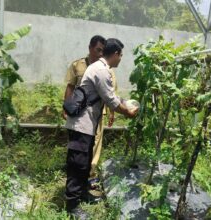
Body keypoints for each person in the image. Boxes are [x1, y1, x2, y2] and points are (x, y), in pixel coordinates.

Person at [65, 38, 137, 212]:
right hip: (82, 125)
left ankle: (82, 193)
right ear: (115, 54)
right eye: (121, 55)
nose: (121, 59)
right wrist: (128, 112)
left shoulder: (100, 68)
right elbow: (111, 100)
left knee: (86, 161)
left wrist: (126, 102)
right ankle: (72, 206)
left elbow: (110, 95)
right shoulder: (101, 70)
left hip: (88, 124)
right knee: (78, 164)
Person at [64, 35, 117, 191]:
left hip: (96, 114)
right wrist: (65, 108)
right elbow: (70, 87)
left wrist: (112, 112)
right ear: (90, 48)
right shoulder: (78, 65)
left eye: (103, 50)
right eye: (98, 50)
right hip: (79, 114)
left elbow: (110, 93)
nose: (100, 53)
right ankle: (76, 185)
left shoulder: (106, 70)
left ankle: (89, 175)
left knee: (93, 146)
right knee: (79, 149)